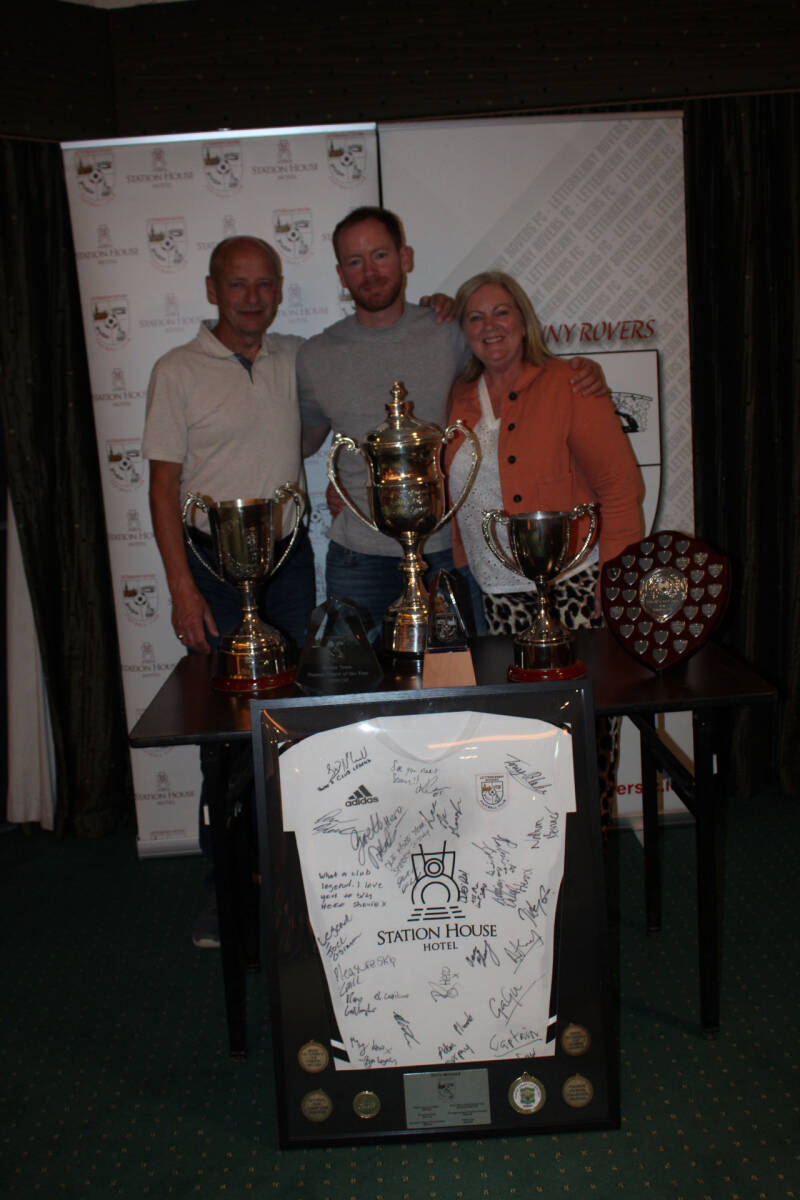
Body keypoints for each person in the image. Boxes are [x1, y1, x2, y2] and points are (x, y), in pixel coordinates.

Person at [297, 206, 608, 638]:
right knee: (362, 690)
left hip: (444, 549)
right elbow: (304, 441)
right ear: (341, 274)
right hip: (356, 556)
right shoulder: (315, 355)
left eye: (380, 255)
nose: (369, 271)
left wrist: (578, 372)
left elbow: (513, 369)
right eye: (355, 261)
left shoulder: (451, 331)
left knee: (458, 679)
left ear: (404, 258)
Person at [143, 235, 316, 946]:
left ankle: (304, 875)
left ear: (279, 289)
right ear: (212, 290)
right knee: (225, 735)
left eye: (264, 283)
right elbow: (161, 489)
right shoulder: (176, 370)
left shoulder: (299, 358)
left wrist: (438, 307)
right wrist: (183, 591)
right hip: (212, 569)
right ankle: (224, 888)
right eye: (237, 284)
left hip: (289, 559)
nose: (252, 296)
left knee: (300, 718)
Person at [445, 270, 645, 821]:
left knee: (584, 734)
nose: (491, 326)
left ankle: (592, 851)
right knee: (514, 741)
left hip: (572, 590)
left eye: (501, 312)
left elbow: (621, 487)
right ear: (463, 330)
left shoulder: (568, 382)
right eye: (476, 317)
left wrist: (619, 581)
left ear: (524, 317)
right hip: (492, 596)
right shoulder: (460, 394)